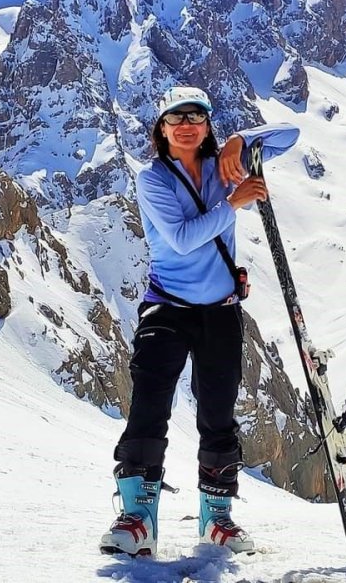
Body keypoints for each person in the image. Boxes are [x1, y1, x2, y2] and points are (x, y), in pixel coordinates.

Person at [100, 86, 300, 558]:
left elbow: (290, 134)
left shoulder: (222, 166)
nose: (186, 125)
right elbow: (183, 239)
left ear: (207, 124)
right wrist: (233, 204)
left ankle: (217, 519)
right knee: (149, 405)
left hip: (221, 310)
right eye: (176, 118)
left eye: (196, 116)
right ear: (162, 128)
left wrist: (241, 140)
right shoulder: (153, 179)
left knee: (218, 413)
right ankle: (137, 518)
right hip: (168, 307)